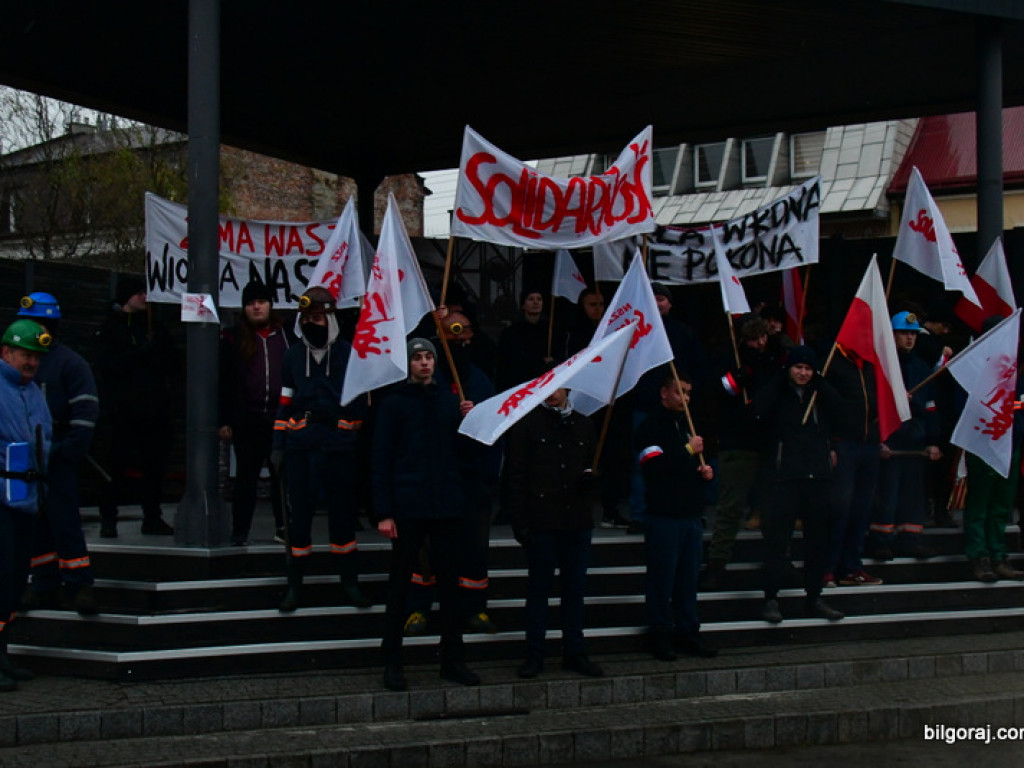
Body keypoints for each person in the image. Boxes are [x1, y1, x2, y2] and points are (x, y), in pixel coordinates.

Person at [373, 338, 479, 692]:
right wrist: (385, 512)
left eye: (428, 357)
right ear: (409, 364)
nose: (424, 363)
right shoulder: (393, 405)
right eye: (417, 358)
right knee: (401, 586)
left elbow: (463, 454)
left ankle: (453, 660)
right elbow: (381, 460)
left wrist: (469, 421)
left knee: (450, 587)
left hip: (445, 506)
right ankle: (392, 661)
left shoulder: (449, 403)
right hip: (407, 509)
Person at [272, 286, 370, 612]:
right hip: (301, 448)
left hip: (338, 449)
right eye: (308, 318)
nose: (313, 323)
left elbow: (359, 404)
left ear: (331, 318)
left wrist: (345, 429)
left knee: (342, 519)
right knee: (299, 519)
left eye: (318, 317)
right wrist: (278, 444)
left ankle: (350, 583)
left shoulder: (348, 354)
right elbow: (284, 402)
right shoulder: (292, 355)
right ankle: (295, 585)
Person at [404, 309, 500, 635]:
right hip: (434, 480)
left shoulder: (481, 380)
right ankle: (418, 607)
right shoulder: (427, 381)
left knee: (474, 546)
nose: (458, 340)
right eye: (451, 335)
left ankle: (475, 608)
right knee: (425, 548)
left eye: (464, 334)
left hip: (472, 479)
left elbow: (494, 429)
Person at [506, 387, 602, 679]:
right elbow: (515, 475)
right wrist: (519, 522)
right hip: (542, 520)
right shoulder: (527, 425)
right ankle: (535, 653)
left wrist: (592, 481)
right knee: (539, 589)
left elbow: (595, 467)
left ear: (568, 388)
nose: (551, 393)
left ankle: (575, 650)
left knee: (575, 589)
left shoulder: (584, 424)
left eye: (557, 387)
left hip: (577, 520)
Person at [16, 292, 100, 616]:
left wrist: (68, 451)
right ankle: (43, 584)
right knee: (35, 525)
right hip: (27, 458)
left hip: (59, 456)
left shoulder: (69, 363)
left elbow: (85, 411)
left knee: (65, 521)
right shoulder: (20, 366)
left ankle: (79, 583)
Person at [754, 346, 845, 624]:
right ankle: (771, 597)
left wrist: (822, 383)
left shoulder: (819, 393)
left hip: (818, 476)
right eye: (798, 368)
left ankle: (814, 596)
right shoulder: (779, 392)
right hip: (785, 477)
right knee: (777, 540)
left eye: (808, 368)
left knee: (817, 541)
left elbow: (842, 414)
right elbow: (758, 410)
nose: (803, 373)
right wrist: (780, 379)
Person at [635, 372, 717, 661]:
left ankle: (687, 631)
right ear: (664, 393)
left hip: (690, 514)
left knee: (687, 578)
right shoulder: (650, 426)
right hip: (664, 514)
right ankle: (659, 633)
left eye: (689, 393)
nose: (685, 399)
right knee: (662, 578)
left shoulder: (687, 425)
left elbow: (685, 465)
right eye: (680, 392)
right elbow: (653, 467)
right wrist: (687, 450)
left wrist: (703, 473)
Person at [93, 276, 178, 537]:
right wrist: (140, 354)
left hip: (153, 409)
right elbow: (107, 367)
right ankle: (109, 519)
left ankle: (152, 517)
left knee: (153, 467)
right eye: (139, 292)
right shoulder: (110, 329)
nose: (144, 297)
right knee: (114, 467)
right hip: (121, 411)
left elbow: (172, 360)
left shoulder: (155, 327)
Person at [703, 316, 779, 589]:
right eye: (754, 339)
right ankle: (717, 562)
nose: (760, 343)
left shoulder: (772, 358)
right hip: (737, 442)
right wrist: (739, 375)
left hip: (767, 443)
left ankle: (781, 560)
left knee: (774, 508)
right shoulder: (729, 356)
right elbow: (718, 389)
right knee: (731, 506)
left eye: (763, 337)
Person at [628, 282, 707, 534]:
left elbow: (698, 367)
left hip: (678, 410)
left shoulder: (685, 333)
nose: (657, 302)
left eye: (661, 298)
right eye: (652, 298)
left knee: (687, 459)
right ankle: (640, 513)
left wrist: (685, 392)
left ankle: (692, 508)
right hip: (645, 406)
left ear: (669, 304)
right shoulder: (634, 333)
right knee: (646, 462)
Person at [0, 319, 53, 691]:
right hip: (1, 498)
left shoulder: (32, 390)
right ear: (6, 352)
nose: (30, 361)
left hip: (26, 498)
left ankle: (2, 652)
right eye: (24, 354)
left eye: (36, 356)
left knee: (16, 579)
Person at [866, 312, 942, 561]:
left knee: (912, 495)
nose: (909, 338)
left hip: (915, 442)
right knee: (885, 495)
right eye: (904, 333)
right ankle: (880, 541)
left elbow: (930, 407)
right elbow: (871, 407)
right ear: (893, 335)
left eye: (913, 334)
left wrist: (933, 441)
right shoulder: (882, 366)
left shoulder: (921, 367)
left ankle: (909, 540)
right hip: (890, 442)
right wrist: (877, 440)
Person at [219, 280, 290, 545]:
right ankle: (240, 531)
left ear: (270, 305)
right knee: (245, 480)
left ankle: (284, 527)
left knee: (281, 478)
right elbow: (223, 381)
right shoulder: (232, 337)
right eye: (250, 303)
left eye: (261, 302)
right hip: (247, 418)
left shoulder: (284, 336)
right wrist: (224, 419)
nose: (256, 307)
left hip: (279, 417)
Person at [963, 315, 1024, 582]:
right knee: (980, 503)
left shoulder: (1014, 371)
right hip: (983, 444)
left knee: (1002, 503)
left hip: (1011, 445)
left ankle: (998, 555)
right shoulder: (974, 369)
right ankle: (980, 557)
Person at [824, 344, 884, 588]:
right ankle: (826, 568)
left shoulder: (873, 366)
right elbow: (824, 407)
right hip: (844, 445)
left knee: (861, 509)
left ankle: (851, 567)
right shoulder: (833, 364)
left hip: (869, 445)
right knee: (839, 509)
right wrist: (828, 444)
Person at [496, 287, 552, 391]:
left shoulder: (551, 331)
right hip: (519, 383)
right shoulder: (510, 333)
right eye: (531, 299)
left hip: (543, 384)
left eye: (539, 299)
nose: (535, 302)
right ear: (523, 304)